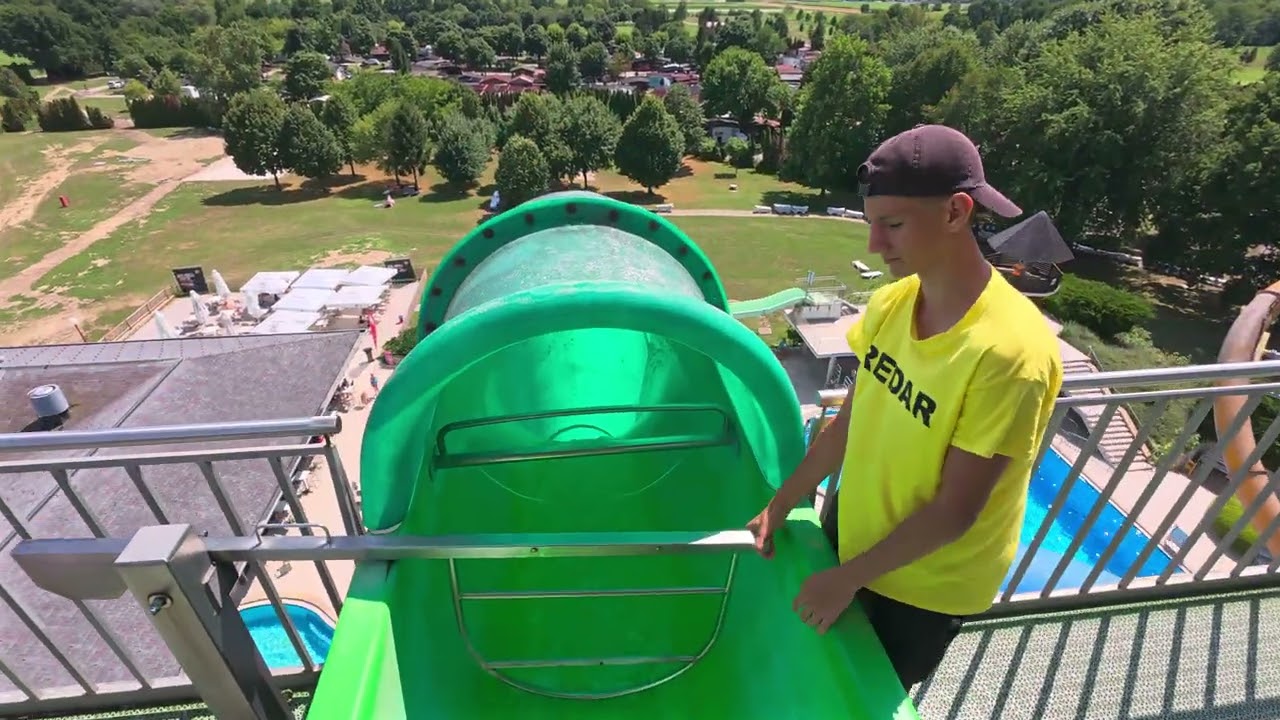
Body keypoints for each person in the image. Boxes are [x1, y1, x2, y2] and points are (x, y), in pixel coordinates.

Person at [747, 124, 1064, 690]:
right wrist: (782, 501)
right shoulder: (895, 301)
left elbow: (955, 511)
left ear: (956, 213)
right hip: (853, 534)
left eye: (892, 225)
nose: (874, 245)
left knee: (864, 692)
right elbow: (851, 420)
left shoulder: (1010, 354)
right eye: (872, 225)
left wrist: (848, 579)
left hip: (923, 585)